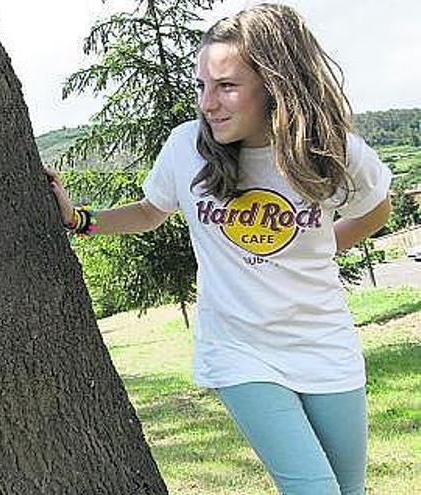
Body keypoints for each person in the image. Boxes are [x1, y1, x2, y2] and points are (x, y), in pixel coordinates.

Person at [45, 4, 391, 495]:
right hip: (240, 351)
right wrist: (81, 219)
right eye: (202, 86)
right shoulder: (187, 147)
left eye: (227, 86)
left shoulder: (333, 151)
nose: (208, 103)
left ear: (275, 86)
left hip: (325, 345)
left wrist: (326, 248)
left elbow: (377, 208)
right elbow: (150, 211)